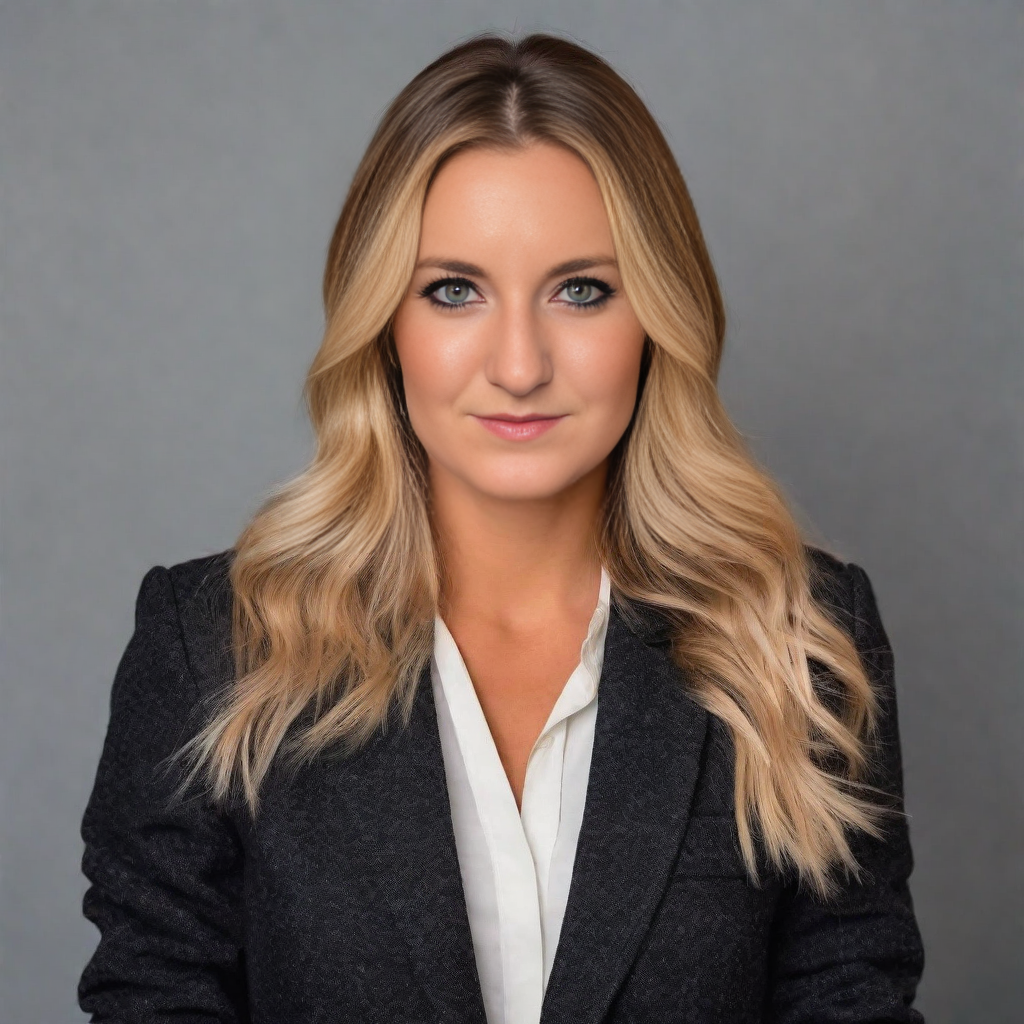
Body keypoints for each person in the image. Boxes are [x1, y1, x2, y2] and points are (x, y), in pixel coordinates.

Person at [77, 31, 926, 1024]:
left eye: (581, 290)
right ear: (384, 325)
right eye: (454, 290)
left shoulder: (795, 644)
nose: (518, 363)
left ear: (656, 315)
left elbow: (850, 999)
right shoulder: (214, 648)